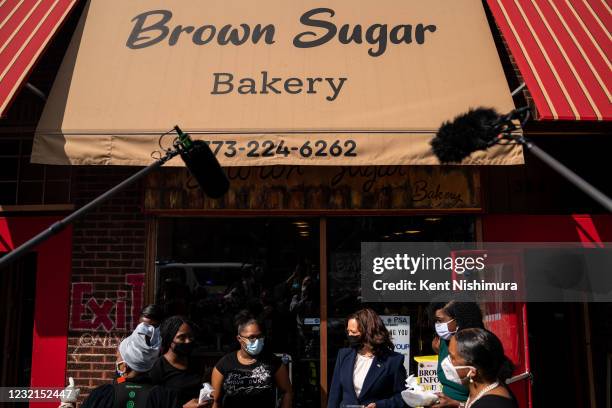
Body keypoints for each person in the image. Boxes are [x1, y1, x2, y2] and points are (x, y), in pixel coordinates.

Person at [80, 322, 179, 408]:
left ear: (124, 366)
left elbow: (122, 381)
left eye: (118, 357)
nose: (116, 360)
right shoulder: (165, 397)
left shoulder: (102, 395)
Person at [328, 308, 407, 408]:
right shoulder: (344, 355)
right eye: (348, 331)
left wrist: (379, 405)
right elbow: (334, 395)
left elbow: (401, 397)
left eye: (353, 332)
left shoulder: (393, 360)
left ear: (368, 332)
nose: (349, 335)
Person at [211, 311, 293, 408]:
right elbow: (216, 401)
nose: (257, 341)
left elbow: (287, 392)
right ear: (239, 338)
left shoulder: (273, 362)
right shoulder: (224, 364)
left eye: (260, 336)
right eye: (252, 337)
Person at [428, 301, 485, 408]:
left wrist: (457, 404)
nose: (438, 325)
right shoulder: (443, 342)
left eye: (440, 321)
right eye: (436, 321)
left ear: (458, 320)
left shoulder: (476, 347)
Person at [445, 328, 517, 408]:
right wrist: (458, 404)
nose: (447, 361)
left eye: (452, 357)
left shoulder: (493, 404)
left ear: (472, 371)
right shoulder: (487, 388)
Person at [149, 316, 209, 408]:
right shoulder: (158, 368)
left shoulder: (196, 363)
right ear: (169, 339)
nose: (188, 341)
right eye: (182, 337)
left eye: (190, 336)